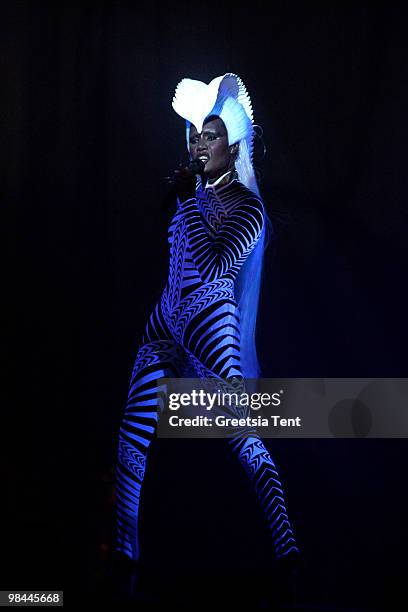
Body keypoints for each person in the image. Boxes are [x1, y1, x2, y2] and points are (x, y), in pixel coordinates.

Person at [111, 73, 300, 598]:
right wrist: (184, 202)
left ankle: (287, 545)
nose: (200, 143)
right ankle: (124, 551)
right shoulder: (190, 198)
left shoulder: (248, 208)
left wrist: (188, 203)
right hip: (166, 317)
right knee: (132, 429)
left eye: (211, 135)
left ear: (232, 144)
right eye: (197, 135)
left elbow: (216, 265)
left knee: (241, 434)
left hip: (208, 320)